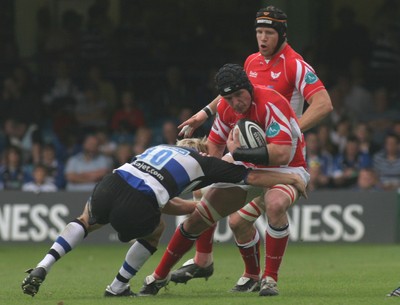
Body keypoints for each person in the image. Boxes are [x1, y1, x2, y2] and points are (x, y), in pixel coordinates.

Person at [21, 137, 306, 297]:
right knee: (155, 229)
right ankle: (118, 286)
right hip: (141, 199)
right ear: (201, 150)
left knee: (86, 221)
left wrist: (200, 210)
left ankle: (43, 264)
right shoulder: (203, 163)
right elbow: (251, 175)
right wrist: (291, 177)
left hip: (113, 182)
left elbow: (164, 198)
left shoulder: (158, 148)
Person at [174, 5, 332, 294]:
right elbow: (231, 92)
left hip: (278, 156)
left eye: (268, 32)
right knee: (216, 198)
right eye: (259, 32)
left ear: (282, 34)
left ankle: (261, 276)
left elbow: (323, 104)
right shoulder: (251, 61)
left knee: (268, 207)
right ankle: (213, 262)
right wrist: (203, 114)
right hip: (247, 153)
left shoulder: (294, 65)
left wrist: (292, 129)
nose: (262, 38)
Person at [139, 63, 309, 297]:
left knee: (275, 203)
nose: (236, 103)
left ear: (249, 87)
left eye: (239, 95)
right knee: (201, 217)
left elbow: (281, 153)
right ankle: (158, 277)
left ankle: (269, 279)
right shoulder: (226, 108)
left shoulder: (271, 102)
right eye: (229, 98)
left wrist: (236, 154)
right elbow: (215, 147)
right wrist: (208, 167)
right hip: (247, 166)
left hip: (287, 168)